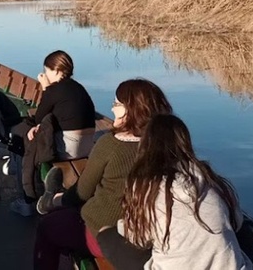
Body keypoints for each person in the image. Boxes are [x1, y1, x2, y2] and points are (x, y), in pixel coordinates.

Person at [33, 79, 173, 270]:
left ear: (129, 110)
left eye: (116, 104)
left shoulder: (112, 144)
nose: (112, 108)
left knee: (48, 227)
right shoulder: (169, 146)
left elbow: (81, 193)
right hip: (150, 239)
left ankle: (49, 201)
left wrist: (57, 201)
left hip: (106, 236)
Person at [114, 114, 253, 269]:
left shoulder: (145, 187)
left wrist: (122, 226)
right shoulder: (212, 179)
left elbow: (138, 238)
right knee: (246, 233)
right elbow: (237, 222)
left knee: (108, 237)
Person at [14, 51, 97, 216]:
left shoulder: (54, 90)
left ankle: (26, 198)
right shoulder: (78, 87)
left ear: (57, 71)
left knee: (22, 141)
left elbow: (38, 117)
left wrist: (46, 88)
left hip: (68, 148)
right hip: (87, 145)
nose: (45, 75)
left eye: (47, 71)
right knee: (37, 132)